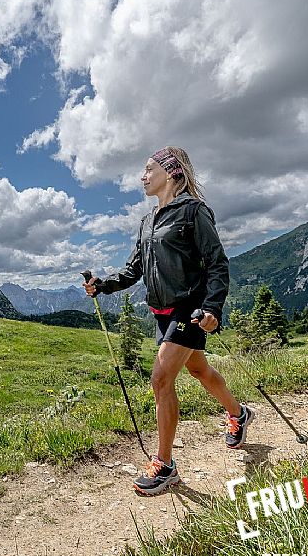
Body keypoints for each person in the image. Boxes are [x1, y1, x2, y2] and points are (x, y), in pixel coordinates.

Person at [84, 146, 253, 496]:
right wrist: (102, 285)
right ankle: (238, 413)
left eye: (148, 169)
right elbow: (134, 270)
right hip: (162, 313)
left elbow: (218, 263)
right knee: (199, 371)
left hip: (188, 310)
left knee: (160, 379)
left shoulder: (194, 212)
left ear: (172, 171)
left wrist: (212, 309)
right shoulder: (148, 221)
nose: (142, 176)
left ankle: (165, 465)